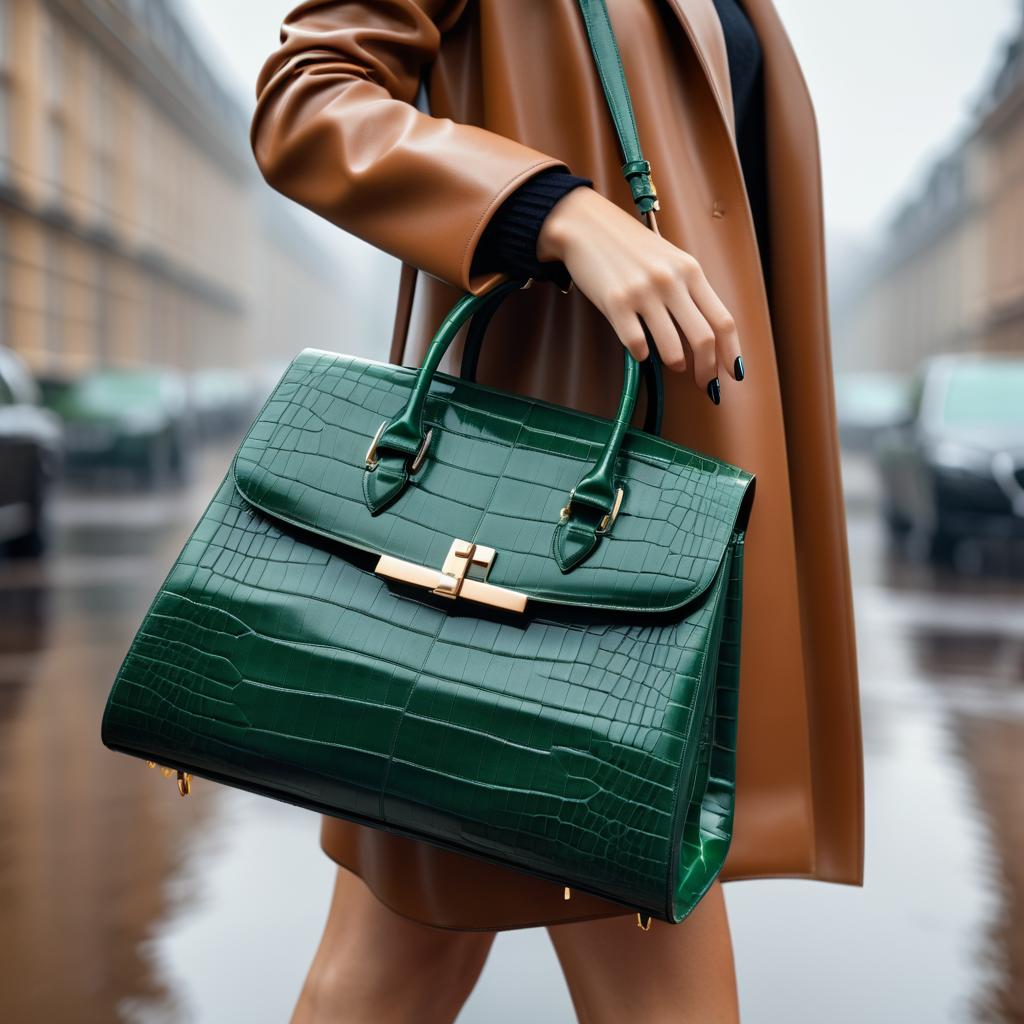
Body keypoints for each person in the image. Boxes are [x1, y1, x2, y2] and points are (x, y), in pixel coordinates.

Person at [250, 1, 864, 1021]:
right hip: (544, 519)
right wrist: (556, 212)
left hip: (658, 498)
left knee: (398, 954)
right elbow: (307, 99)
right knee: (550, 949)